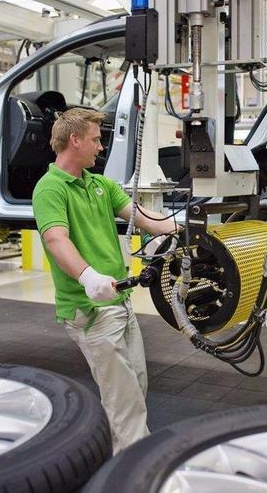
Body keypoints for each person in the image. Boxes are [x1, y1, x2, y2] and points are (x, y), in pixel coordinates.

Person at [32, 107, 179, 453]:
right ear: (75, 140)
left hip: (119, 302)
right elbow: (55, 239)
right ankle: (133, 468)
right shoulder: (50, 189)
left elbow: (143, 217)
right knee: (124, 399)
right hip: (90, 308)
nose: (101, 147)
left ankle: (118, 453)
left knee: (134, 387)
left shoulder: (99, 184)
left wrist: (184, 227)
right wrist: (88, 277)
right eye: (96, 140)